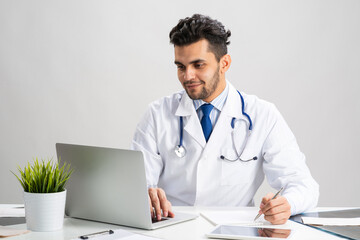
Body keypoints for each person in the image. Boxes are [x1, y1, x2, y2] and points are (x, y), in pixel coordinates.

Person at [131, 14, 319, 225]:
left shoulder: (263, 115)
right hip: (172, 228)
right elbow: (137, 184)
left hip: (234, 230)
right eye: (181, 67)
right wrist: (144, 195)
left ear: (225, 63)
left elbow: (304, 185)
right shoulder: (157, 115)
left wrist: (287, 203)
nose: (187, 76)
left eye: (198, 65)